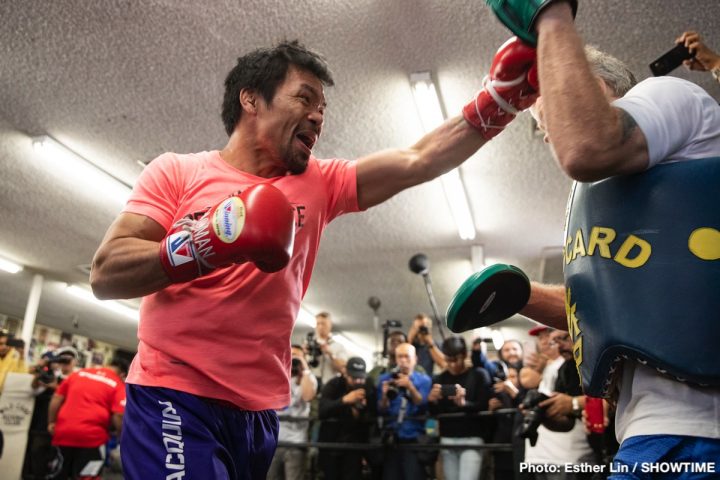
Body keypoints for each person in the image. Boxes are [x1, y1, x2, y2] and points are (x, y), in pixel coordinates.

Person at [90, 38, 539, 479]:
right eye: (304, 98)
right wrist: (206, 242)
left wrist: (497, 103)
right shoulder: (177, 172)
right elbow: (107, 272)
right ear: (251, 99)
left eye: (322, 107)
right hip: (173, 391)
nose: (317, 116)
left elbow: (417, 160)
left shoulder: (319, 181)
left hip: (258, 411)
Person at [489, 0, 720, 476]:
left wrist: (549, 17)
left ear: (590, 87)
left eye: (545, 121)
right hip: (651, 431)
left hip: (696, 431)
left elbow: (587, 145)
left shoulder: (672, 94)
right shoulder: (620, 204)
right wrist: (521, 296)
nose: (550, 138)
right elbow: (612, 309)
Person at [47, 359, 127, 480]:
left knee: (57, 474)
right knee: (88, 476)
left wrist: (51, 422)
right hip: (92, 438)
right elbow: (118, 415)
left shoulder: (78, 374)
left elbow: (56, 398)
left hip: (63, 432)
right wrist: (122, 438)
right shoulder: (118, 384)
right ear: (122, 374)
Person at [427, 336, 492, 480]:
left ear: (464, 355)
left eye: (455, 359)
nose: (452, 365)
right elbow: (435, 413)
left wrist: (464, 404)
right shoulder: (439, 379)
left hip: (472, 438)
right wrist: (432, 401)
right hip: (447, 438)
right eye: (448, 360)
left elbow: (484, 406)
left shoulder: (479, 375)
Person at [377, 343, 432, 480]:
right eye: (400, 357)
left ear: (415, 359)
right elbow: (381, 409)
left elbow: (423, 405)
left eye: (407, 357)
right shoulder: (385, 379)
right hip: (391, 439)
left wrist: (410, 387)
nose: (403, 360)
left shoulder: (424, 380)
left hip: (413, 439)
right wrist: (384, 395)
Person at [318, 356, 376, 480]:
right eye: (354, 378)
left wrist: (362, 409)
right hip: (331, 445)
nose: (358, 381)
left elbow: (375, 414)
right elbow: (322, 411)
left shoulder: (368, 386)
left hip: (354, 447)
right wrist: (345, 400)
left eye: (361, 378)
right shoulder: (334, 385)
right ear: (345, 374)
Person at [267, 345, 317, 480]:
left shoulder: (308, 378)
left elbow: (307, 396)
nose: (293, 358)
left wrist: (304, 368)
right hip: (274, 441)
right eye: (291, 354)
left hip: (296, 442)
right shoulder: (277, 375)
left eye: (297, 356)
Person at [307, 312, 347, 388]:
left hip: (329, 387)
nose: (320, 327)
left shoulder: (338, 346)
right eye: (318, 324)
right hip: (311, 386)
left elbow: (343, 369)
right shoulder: (309, 344)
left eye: (323, 323)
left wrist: (331, 354)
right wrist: (304, 353)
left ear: (330, 325)